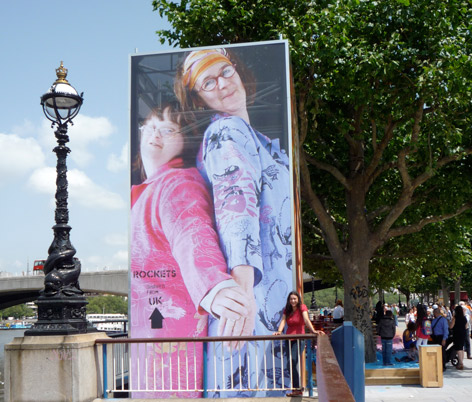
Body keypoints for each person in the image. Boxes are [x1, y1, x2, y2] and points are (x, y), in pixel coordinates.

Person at [175, 47, 293, 396]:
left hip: (269, 308)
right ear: (199, 100)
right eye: (208, 83)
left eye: (225, 72)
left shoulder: (259, 140)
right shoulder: (227, 131)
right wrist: (243, 294)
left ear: (238, 71)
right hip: (250, 306)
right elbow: (235, 204)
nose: (222, 84)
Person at [130, 105, 255, 396]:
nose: (155, 134)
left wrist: (217, 287)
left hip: (171, 353)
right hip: (156, 346)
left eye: (168, 129)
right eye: (149, 126)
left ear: (186, 140)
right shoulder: (150, 188)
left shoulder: (178, 183)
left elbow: (192, 232)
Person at [274, 291, 321, 397]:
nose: (293, 301)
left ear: (298, 299)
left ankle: (298, 388)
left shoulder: (302, 307)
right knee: (290, 364)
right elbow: (283, 321)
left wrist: (313, 331)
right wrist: (279, 331)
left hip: (299, 338)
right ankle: (296, 388)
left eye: (294, 299)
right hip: (288, 338)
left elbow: (306, 319)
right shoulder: (288, 309)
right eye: (291, 299)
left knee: (292, 362)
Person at [450, 305, 467, 370]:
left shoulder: (455, 317)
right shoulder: (464, 318)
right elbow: (466, 326)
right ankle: (461, 362)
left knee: (458, 348)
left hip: (457, 334)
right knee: (461, 348)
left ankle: (460, 363)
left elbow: (451, 326)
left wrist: (449, 323)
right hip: (463, 334)